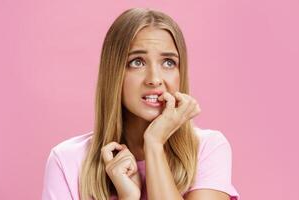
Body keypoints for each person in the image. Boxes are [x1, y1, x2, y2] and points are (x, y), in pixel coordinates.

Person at [42, 8, 239, 200]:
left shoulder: (208, 148)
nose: (154, 79)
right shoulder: (67, 160)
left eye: (168, 62)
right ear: (114, 73)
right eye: (137, 62)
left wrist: (153, 144)